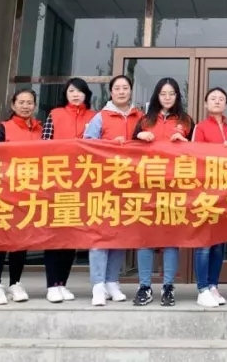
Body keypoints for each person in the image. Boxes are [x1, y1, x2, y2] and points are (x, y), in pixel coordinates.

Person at [133, 77, 194, 307]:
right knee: (146, 238)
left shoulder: (186, 121)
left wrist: (184, 142)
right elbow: (129, 152)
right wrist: (138, 137)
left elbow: (198, 153)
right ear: (157, 96)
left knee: (171, 239)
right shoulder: (144, 120)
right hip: (148, 187)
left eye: (172, 93)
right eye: (163, 93)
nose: (167, 97)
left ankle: (168, 287)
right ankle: (144, 287)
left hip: (175, 187)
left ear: (178, 96)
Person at [83, 74, 140, 306]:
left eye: (125, 87)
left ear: (130, 91)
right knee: (100, 234)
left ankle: (112, 281)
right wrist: (108, 145)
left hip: (130, 185)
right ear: (111, 92)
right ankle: (97, 284)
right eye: (117, 88)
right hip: (104, 183)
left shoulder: (140, 117)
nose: (121, 91)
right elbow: (87, 145)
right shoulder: (101, 117)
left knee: (120, 235)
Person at [41, 77, 97, 303]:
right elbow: (44, 144)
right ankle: (51, 284)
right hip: (57, 182)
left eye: (79, 91)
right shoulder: (55, 114)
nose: (75, 95)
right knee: (55, 235)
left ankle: (62, 283)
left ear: (86, 95)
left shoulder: (94, 117)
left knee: (72, 236)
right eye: (71, 91)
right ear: (66, 93)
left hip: (83, 182)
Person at [0, 87, 43, 305]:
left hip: (28, 192)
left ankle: (15, 282)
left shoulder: (40, 129)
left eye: (29, 102)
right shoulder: (3, 128)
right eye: (21, 102)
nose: (25, 106)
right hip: (4, 191)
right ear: (13, 104)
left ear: (34, 106)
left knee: (21, 239)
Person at [190, 86, 227, 308]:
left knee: (219, 243)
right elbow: (194, 156)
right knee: (204, 243)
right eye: (213, 98)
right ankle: (202, 289)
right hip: (205, 191)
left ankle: (212, 286)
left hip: (225, 192)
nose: (217, 101)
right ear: (206, 104)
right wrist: (220, 150)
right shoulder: (200, 127)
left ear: (226, 104)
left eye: (221, 98)